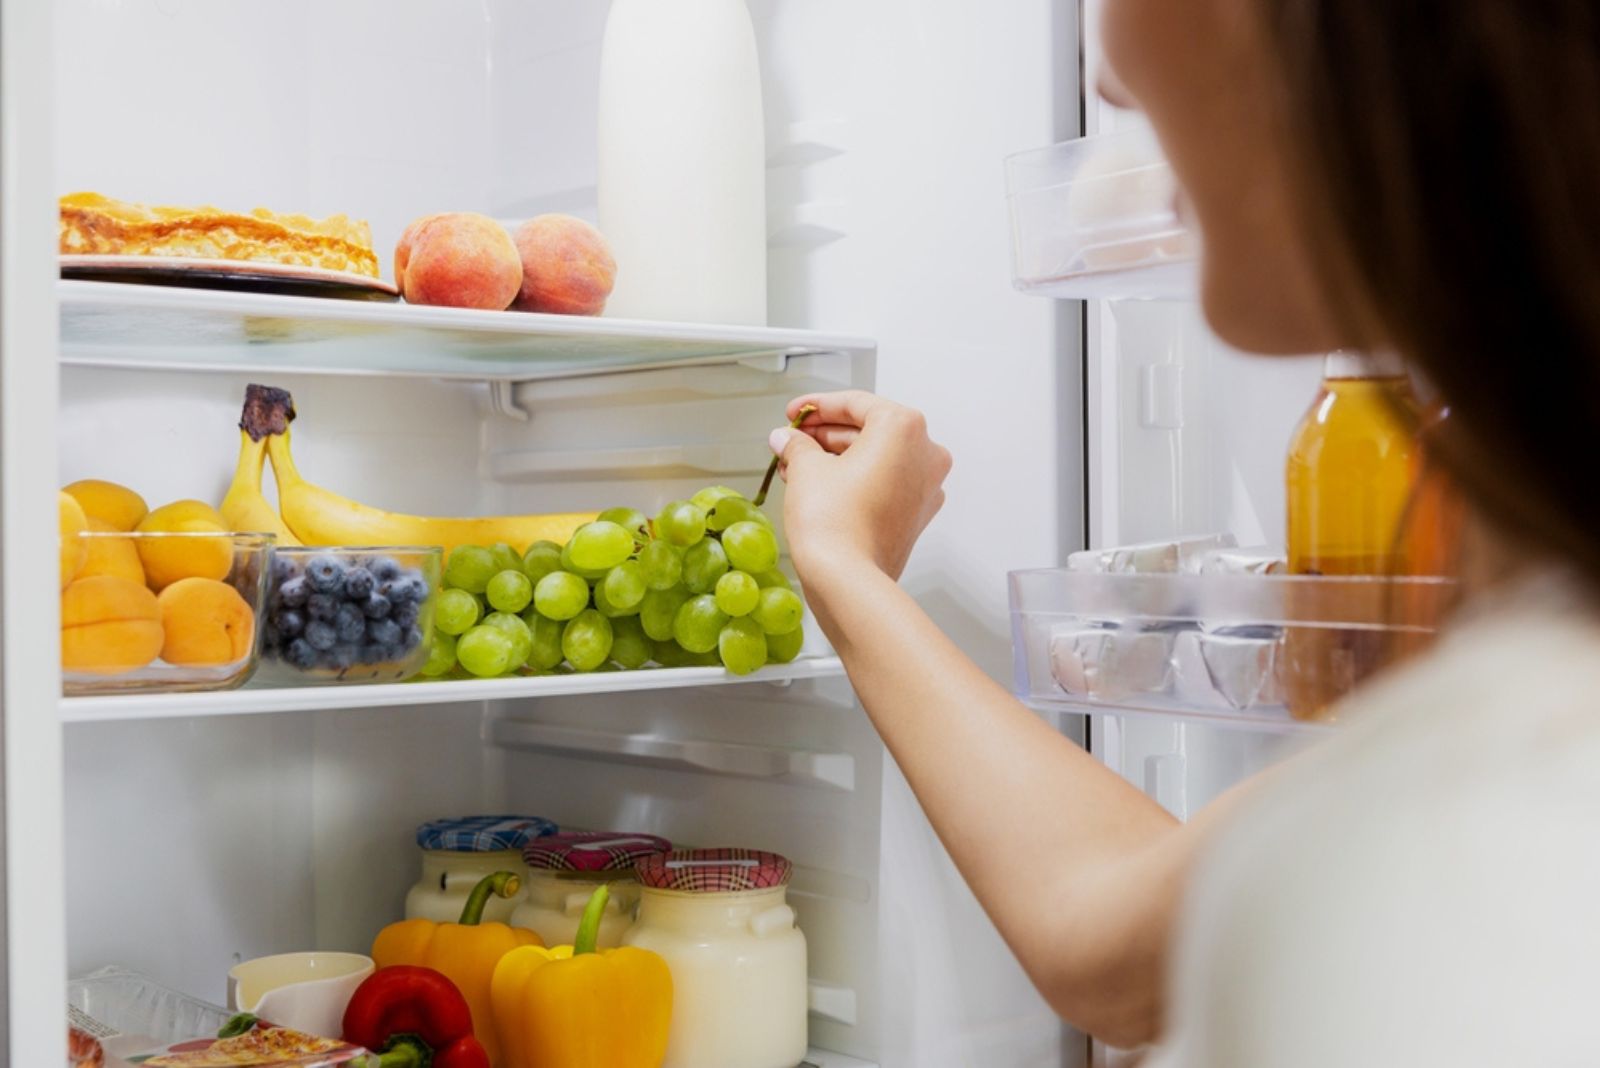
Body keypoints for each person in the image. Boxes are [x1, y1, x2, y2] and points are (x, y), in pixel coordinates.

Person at [767, 3, 1600, 1063]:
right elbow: (1109, 941)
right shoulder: (1518, 682)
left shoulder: (1503, 780)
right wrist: (846, 571)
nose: (1104, 77)